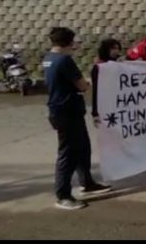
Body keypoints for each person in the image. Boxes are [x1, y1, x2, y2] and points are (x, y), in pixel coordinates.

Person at [42, 27, 111, 211]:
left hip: (64, 110)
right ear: (68, 42)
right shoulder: (65, 60)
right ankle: (62, 195)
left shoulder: (49, 58)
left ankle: (87, 183)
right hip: (66, 112)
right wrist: (88, 82)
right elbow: (82, 86)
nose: (76, 44)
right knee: (68, 154)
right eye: (74, 41)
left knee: (82, 148)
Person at [90, 38, 122, 122]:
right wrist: (95, 113)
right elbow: (96, 91)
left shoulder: (120, 64)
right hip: (106, 106)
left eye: (118, 48)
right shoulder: (99, 68)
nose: (116, 51)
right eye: (113, 48)